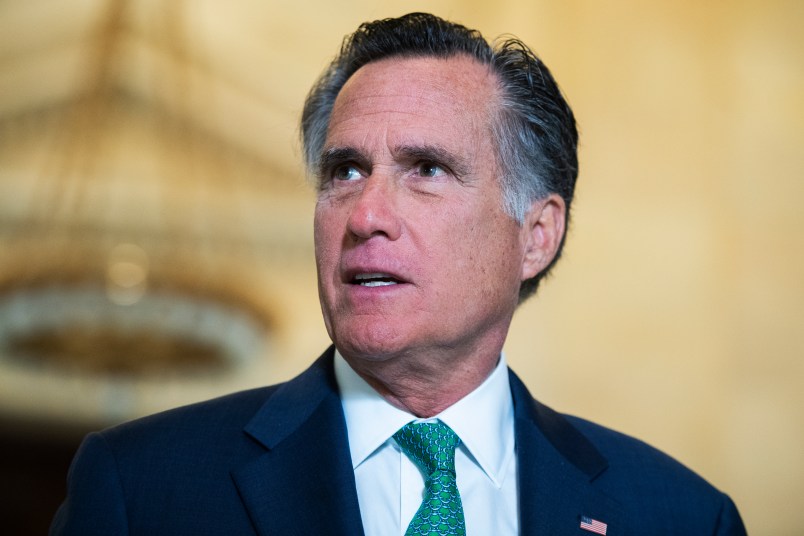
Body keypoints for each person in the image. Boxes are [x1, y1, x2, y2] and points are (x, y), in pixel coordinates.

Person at [51, 12, 747, 535]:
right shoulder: (140, 488)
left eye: (427, 170)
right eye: (345, 171)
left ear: (536, 236)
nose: (366, 214)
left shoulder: (677, 515)